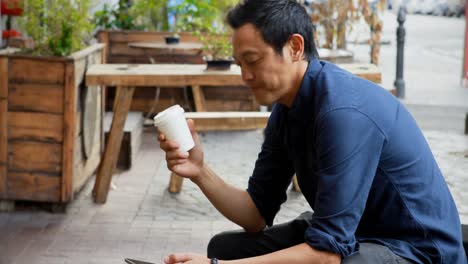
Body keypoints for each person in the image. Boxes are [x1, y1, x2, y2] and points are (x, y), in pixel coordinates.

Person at [159, 0, 467, 263]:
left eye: (252, 60)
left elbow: (326, 255)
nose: (245, 75)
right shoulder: (286, 108)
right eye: (239, 63)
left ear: (294, 47)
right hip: (357, 237)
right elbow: (255, 215)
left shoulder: (343, 113)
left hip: (416, 251)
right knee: (226, 248)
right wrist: (200, 171)